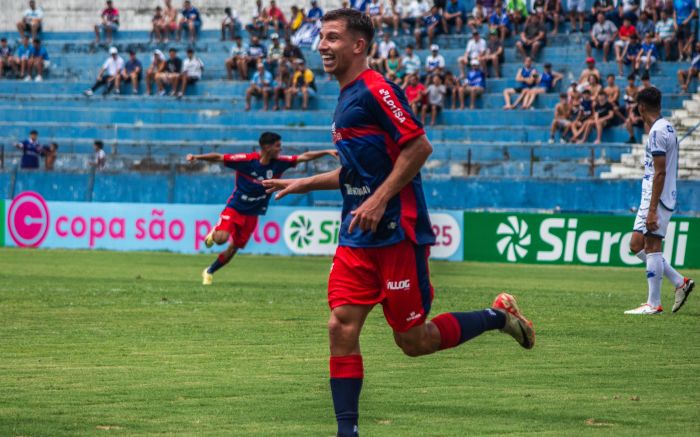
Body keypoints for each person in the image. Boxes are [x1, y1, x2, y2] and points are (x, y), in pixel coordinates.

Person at [262, 10, 536, 437]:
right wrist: (306, 182)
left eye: (333, 38)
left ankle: (497, 317)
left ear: (358, 45)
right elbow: (360, 171)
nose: (322, 45)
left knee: (413, 341)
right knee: (341, 326)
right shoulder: (345, 96)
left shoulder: (376, 89)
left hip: (396, 232)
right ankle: (346, 431)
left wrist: (379, 199)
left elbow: (419, 147)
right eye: (322, 38)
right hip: (357, 235)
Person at [188, 132, 336, 285]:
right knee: (221, 240)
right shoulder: (246, 161)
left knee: (234, 248)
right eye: (278, 146)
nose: (280, 149)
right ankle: (215, 233)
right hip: (235, 207)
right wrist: (197, 158)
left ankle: (209, 271)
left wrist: (326, 152)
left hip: (253, 212)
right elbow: (219, 157)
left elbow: (303, 157)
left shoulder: (279, 163)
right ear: (267, 147)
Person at [623, 87, 695, 315]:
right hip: (654, 195)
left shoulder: (656, 132)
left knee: (652, 245)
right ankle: (679, 282)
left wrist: (652, 209)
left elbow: (660, 172)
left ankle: (653, 303)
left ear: (641, 107)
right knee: (636, 244)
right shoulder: (667, 128)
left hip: (657, 196)